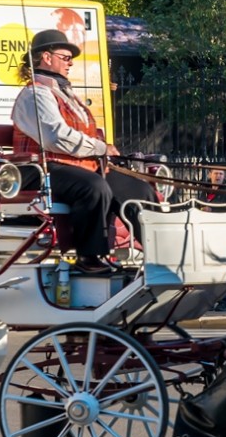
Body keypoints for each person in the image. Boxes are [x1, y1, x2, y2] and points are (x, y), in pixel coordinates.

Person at [8, 27, 154, 277]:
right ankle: (90, 256)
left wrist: (102, 151)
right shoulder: (35, 94)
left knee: (137, 188)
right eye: (65, 58)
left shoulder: (64, 93)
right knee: (93, 187)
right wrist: (99, 148)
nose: (70, 63)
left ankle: (158, 253)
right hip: (42, 168)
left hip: (76, 167)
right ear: (46, 57)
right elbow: (55, 138)